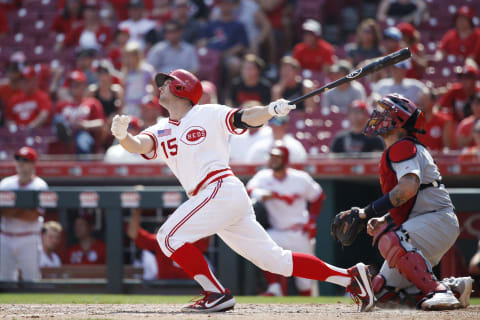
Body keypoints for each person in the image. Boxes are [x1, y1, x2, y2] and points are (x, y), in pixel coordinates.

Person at [110, 68, 375, 312]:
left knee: (167, 236)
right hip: (217, 198)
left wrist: (271, 109)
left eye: (166, 84)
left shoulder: (207, 113)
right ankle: (351, 278)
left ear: (182, 88)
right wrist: (123, 136)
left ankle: (215, 294)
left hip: (218, 188)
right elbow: (139, 145)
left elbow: (245, 117)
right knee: (275, 261)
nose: (160, 88)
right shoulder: (162, 128)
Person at [337, 93, 473, 310]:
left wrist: (366, 213)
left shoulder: (402, 146)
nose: (378, 116)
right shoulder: (404, 147)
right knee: (380, 293)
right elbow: (412, 200)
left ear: (398, 120)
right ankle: (455, 287)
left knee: (389, 237)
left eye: (385, 112)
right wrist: (385, 217)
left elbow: (407, 189)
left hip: (436, 219)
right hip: (429, 221)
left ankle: (439, 292)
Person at [247, 143, 325, 296]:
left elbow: (318, 196)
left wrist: (312, 220)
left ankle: (311, 309)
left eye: (278, 157)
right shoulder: (263, 177)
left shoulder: (300, 178)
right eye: (272, 156)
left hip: (298, 231)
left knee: (305, 280)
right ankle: (274, 287)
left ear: (285, 159)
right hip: (277, 231)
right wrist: (277, 195)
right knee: (260, 248)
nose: (274, 160)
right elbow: (250, 190)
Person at [0, 147, 47, 281]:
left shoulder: (39, 185)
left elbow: (33, 216)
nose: (21, 163)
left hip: (29, 238)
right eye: (18, 159)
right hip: (5, 237)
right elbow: (1, 212)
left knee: (31, 280)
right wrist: (23, 207)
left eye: (25, 160)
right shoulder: (5, 184)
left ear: (33, 164)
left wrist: (11, 209)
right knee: (4, 281)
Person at [127, 209, 211, 279]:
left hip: (189, 286)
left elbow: (208, 230)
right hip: (165, 286)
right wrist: (137, 210)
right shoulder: (159, 240)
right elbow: (133, 234)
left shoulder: (193, 240)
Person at [54, 71, 106, 154]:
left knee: (83, 142)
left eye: (77, 84)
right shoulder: (62, 105)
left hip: (83, 132)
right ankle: (66, 132)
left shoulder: (92, 103)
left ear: (84, 86)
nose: (74, 87)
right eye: (72, 84)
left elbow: (101, 123)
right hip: (65, 134)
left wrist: (85, 125)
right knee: (58, 119)